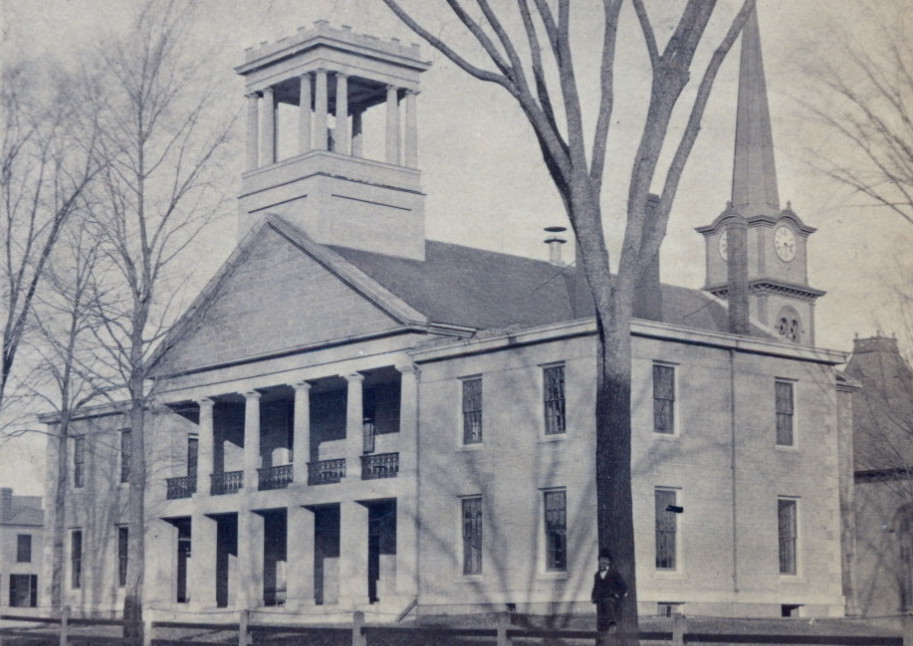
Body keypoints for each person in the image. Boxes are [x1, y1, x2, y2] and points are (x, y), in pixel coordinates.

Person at [591, 548, 627, 634]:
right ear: (599, 561)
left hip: (612, 600)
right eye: (601, 559)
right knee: (600, 611)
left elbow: (624, 587)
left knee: (608, 602)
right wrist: (593, 597)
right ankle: (601, 632)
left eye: (606, 559)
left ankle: (612, 624)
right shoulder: (597, 575)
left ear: (609, 562)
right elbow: (595, 587)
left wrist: (617, 594)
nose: (603, 561)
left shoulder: (614, 573)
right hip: (600, 600)